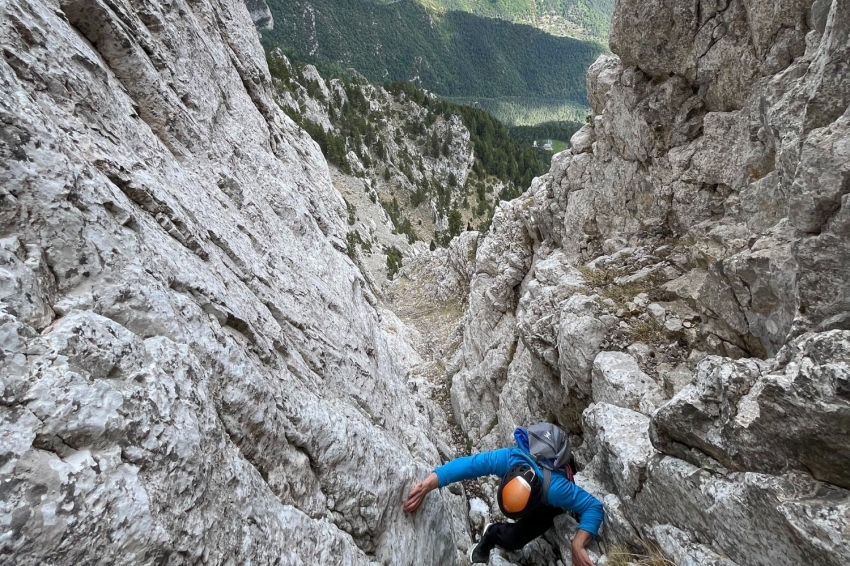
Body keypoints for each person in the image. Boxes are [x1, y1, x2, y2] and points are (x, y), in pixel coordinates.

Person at [403, 446, 603, 566]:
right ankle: (491, 536)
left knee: (515, 539)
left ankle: (493, 532)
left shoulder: (556, 491)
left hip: (553, 484)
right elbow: (468, 465)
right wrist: (429, 484)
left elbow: (594, 507)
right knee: (514, 539)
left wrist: (578, 542)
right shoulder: (507, 459)